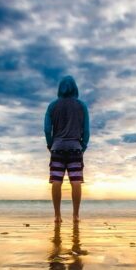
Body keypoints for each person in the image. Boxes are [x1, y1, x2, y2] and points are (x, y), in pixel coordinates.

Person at [44, 75, 90, 223]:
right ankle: (76, 215)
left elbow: (46, 129)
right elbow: (86, 130)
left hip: (57, 147)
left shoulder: (52, 106)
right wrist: (83, 145)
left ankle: (57, 216)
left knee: (56, 181)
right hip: (75, 147)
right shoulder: (82, 106)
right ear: (75, 88)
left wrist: (50, 144)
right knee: (76, 181)